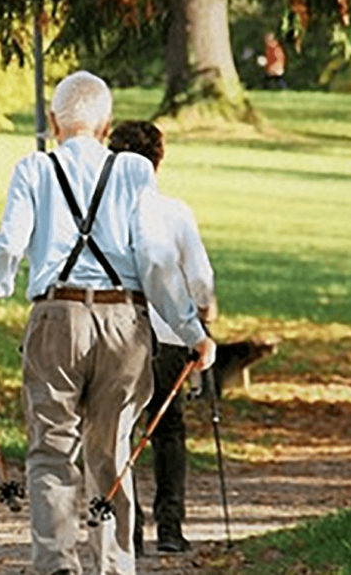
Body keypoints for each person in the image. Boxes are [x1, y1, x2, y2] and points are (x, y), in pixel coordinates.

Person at [0, 71, 217, 575]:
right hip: (123, 321)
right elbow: (154, 259)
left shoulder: (32, 169)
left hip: (55, 318)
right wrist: (193, 332)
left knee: (50, 452)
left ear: (52, 122)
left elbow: (7, 249)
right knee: (111, 454)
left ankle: (57, 565)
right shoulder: (133, 171)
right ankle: (113, 567)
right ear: (106, 125)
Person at [106, 121, 217, 556]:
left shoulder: (103, 214)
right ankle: (170, 527)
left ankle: (127, 531)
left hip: (117, 331)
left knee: (120, 429)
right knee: (168, 429)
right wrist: (203, 317)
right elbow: (201, 279)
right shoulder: (174, 212)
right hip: (170, 334)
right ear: (159, 160)